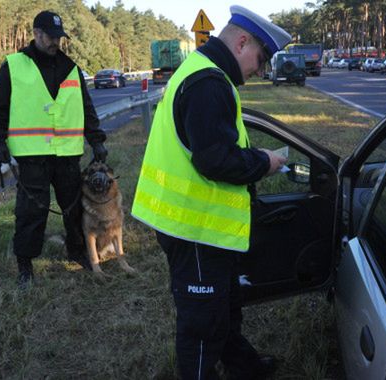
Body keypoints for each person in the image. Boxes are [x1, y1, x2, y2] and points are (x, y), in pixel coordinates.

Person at [131, 5, 291, 379]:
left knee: (223, 308)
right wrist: (263, 162)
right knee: (202, 326)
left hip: (198, 226)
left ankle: (245, 368)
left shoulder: (204, 73)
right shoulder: (209, 83)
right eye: (261, 58)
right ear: (241, 42)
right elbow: (215, 159)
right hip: (194, 229)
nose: (261, 69)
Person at [0, 10, 107, 287]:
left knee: (74, 208)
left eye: (59, 37)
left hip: (67, 154)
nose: (56, 42)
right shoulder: (14, 65)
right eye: (50, 37)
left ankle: (78, 252)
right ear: (36, 34)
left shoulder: (71, 68)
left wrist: (96, 140)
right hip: (32, 156)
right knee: (31, 212)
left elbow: (86, 108)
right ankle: (25, 265)